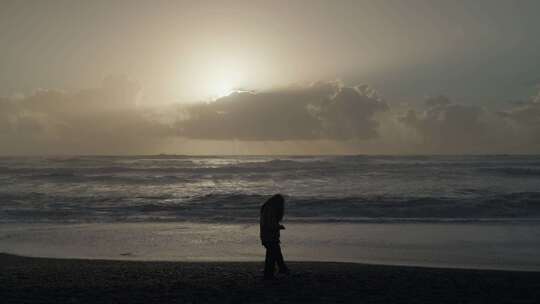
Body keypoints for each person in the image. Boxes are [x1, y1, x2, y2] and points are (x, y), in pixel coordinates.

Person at [260, 194, 289, 280]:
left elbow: (267, 223)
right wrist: (279, 227)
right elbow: (270, 224)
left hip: (266, 236)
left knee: (273, 254)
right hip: (270, 237)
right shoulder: (271, 210)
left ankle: (279, 269)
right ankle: (271, 273)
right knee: (272, 255)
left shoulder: (267, 208)